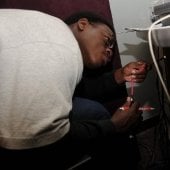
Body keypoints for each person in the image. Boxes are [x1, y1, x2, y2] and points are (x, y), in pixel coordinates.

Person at [0, 9, 148, 169]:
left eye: (111, 51)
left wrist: (118, 76)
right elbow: (40, 134)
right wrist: (113, 126)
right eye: (107, 41)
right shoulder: (59, 44)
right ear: (83, 24)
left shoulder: (51, 38)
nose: (109, 51)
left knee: (92, 111)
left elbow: (73, 91)